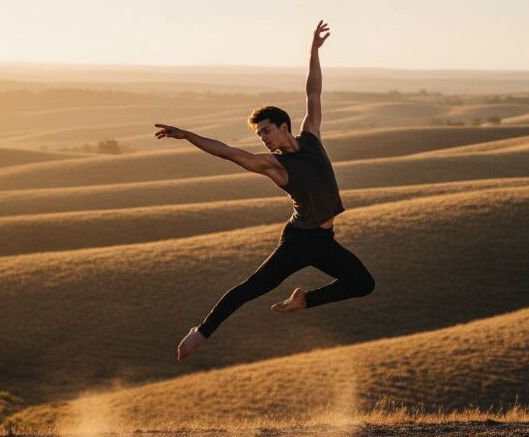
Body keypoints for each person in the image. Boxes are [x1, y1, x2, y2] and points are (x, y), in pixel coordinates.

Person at [154, 20, 375, 361]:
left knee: (363, 284)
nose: (264, 139)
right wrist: (187, 135)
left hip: (324, 241)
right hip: (299, 242)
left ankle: (304, 300)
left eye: (267, 131)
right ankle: (201, 332)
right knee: (252, 288)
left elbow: (313, 92)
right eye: (259, 136)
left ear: (284, 126)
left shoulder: (312, 136)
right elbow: (227, 151)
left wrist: (314, 51)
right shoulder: (275, 166)